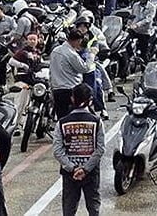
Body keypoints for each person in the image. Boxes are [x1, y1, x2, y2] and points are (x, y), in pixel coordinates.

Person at [53, 84, 104, 216]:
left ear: (72, 99)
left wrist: (73, 168)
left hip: (69, 173)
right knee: (93, 207)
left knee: (69, 209)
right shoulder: (97, 122)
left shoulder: (62, 122)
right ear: (90, 100)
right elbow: (100, 149)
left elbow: (58, 151)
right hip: (91, 172)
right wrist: (85, 169)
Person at [51, 29, 93, 120]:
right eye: (80, 42)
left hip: (56, 89)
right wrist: (91, 56)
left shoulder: (55, 50)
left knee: (61, 118)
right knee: (73, 118)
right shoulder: (71, 54)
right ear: (77, 41)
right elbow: (84, 68)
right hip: (70, 90)